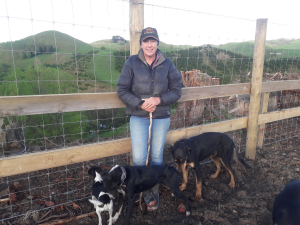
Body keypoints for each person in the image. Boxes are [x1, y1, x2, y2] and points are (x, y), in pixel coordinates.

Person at [117, 27, 182, 211]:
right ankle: (141, 190)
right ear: (141, 44)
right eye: (146, 41)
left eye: (153, 41)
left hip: (160, 117)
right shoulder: (132, 62)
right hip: (139, 117)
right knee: (138, 157)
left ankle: (152, 190)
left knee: (156, 156)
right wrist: (139, 103)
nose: (149, 44)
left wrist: (159, 100)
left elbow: (177, 90)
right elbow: (122, 89)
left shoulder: (167, 63)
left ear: (157, 43)